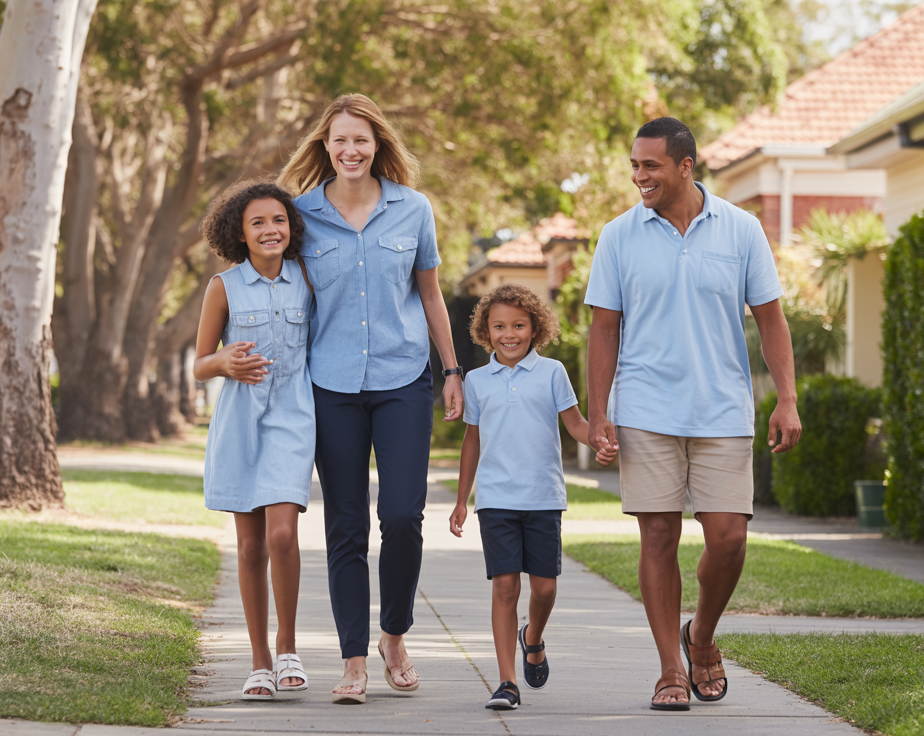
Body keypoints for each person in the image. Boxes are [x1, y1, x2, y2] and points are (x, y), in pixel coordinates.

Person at [584, 117, 802, 711]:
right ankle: (669, 669)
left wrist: (787, 397)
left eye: (650, 165)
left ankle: (701, 636)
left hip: (722, 407)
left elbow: (770, 319)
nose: (638, 176)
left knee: (729, 537)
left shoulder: (741, 229)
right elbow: (604, 330)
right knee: (658, 534)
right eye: (634, 165)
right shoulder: (618, 236)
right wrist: (597, 413)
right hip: (647, 407)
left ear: (685, 166)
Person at [278, 94, 464, 704]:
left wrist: (454, 370)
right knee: (347, 527)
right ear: (325, 147)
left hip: (403, 377)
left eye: (361, 139)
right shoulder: (301, 215)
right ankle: (354, 660)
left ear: (377, 143)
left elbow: (432, 296)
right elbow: (285, 297)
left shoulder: (413, 209)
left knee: (405, 517)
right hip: (329, 385)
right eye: (340, 141)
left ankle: (394, 635)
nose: (350, 150)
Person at [449, 284, 616, 711]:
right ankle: (506, 682)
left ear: (535, 328)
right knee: (505, 586)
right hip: (496, 500)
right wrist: (462, 499)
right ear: (486, 330)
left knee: (543, 588)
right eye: (499, 326)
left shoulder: (553, 372)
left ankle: (533, 637)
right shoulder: (478, 380)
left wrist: (598, 439)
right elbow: (472, 440)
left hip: (543, 496)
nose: (510, 334)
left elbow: (575, 423)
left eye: (519, 325)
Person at [194, 181, 314, 701]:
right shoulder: (224, 287)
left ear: (292, 227)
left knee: (282, 536)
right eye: (258, 223)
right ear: (239, 234)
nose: (271, 230)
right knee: (248, 547)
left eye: (279, 220)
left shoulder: (307, 280)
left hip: (292, 415)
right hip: (241, 422)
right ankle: (259, 660)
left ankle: (288, 646)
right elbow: (200, 364)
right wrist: (224, 362)